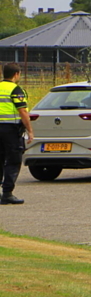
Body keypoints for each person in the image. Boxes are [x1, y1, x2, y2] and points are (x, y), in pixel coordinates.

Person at [0, 63, 33, 205]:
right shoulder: (16, 90)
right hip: (10, 130)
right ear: (16, 74)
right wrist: (30, 130)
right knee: (13, 160)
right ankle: (7, 193)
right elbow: (23, 111)